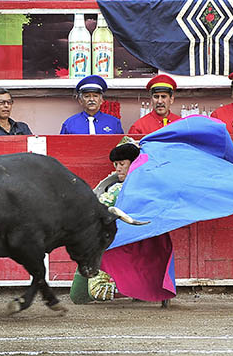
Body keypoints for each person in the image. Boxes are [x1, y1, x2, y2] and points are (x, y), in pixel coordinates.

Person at [70, 137, 174, 307]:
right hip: (106, 243)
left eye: (122, 164)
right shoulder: (117, 186)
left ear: (133, 164)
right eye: (116, 164)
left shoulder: (124, 188)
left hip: (119, 246)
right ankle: (140, 289)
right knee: (78, 296)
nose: (118, 168)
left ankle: (137, 290)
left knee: (98, 291)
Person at [60, 75, 124, 134]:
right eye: (87, 96)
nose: (91, 99)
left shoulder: (114, 123)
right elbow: (61, 145)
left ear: (101, 100)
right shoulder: (70, 124)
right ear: (80, 101)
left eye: (95, 96)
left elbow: (121, 145)